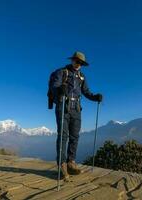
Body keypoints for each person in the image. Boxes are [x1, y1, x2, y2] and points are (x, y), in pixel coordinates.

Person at [49, 51, 103, 180]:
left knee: (75, 136)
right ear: (72, 60)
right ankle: (62, 165)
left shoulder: (82, 77)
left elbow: (86, 92)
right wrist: (59, 90)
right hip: (63, 107)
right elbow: (53, 87)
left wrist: (95, 97)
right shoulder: (61, 72)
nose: (79, 64)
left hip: (77, 109)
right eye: (77, 61)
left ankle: (71, 162)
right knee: (63, 136)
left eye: (81, 63)